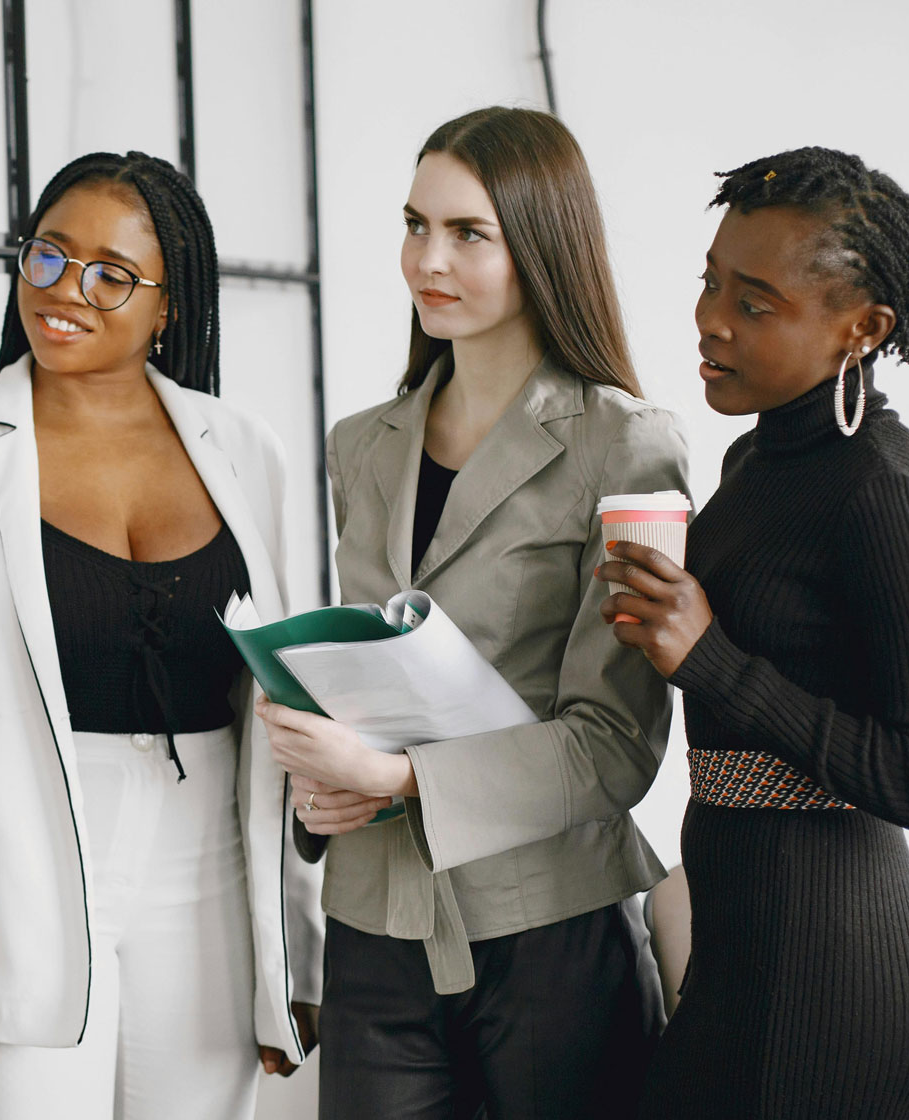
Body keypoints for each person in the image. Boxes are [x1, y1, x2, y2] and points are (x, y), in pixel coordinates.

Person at [0, 151, 322, 1119]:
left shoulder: (245, 451)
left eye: (111, 275)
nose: (66, 292)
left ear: (169, 306)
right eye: (47, 258)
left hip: (207, 870)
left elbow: (287, 697)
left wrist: (300, 941)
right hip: (15, 854)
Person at [257, 106, 686, 1117]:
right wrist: (322, 791)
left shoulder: (624, 448)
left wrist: (399, 777)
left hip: (549, 929)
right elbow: (362, 673)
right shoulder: (359, 446)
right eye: (414, 225)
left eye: (465, 233)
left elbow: (615, 741)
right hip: (372, 927)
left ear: (539, 244)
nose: (425, 260)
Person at [600, 147, 909, 1119]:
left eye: (754, 302)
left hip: (830, 989)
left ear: (860, 328)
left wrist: (716, 665)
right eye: (708, 282)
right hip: (750, 964)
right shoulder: (753, 459)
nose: (708, 319)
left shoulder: (880, 492)